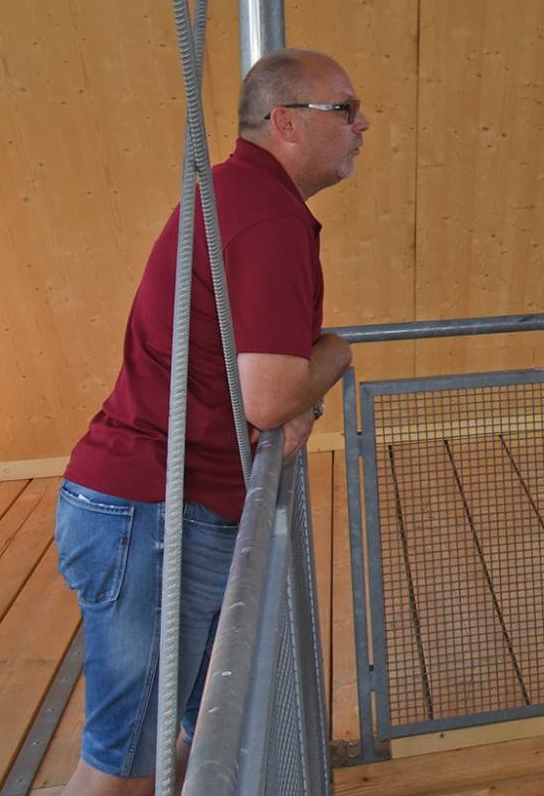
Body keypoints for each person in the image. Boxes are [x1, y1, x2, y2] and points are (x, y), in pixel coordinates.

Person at [57, 49, 368, 794]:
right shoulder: (264, 219)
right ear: (285, 123)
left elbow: (258, 389)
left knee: (190, 746)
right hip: (154, 518)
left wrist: (292, 394)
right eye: (346, 110)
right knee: (123, 770)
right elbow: (269, 396)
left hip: (152, 508)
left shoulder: (238, 197)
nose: (363, 126)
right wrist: (338, 353)